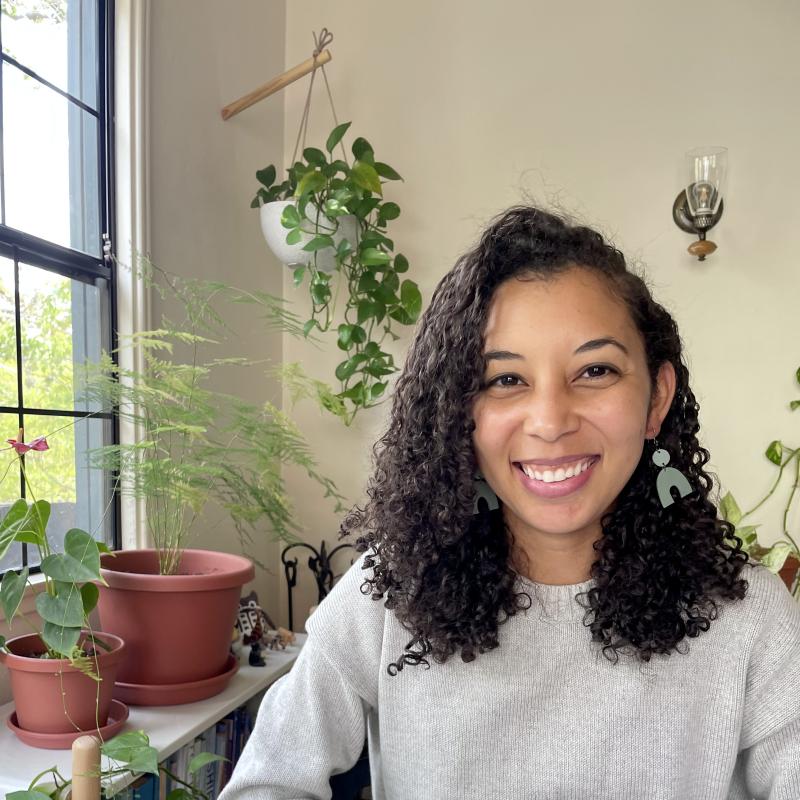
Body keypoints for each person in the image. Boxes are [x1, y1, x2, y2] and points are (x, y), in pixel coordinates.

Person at [219, 206, 800, 799]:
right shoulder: (389, 596)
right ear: (459, 413)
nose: (550, 421)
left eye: (595, 370)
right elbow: (269, 782)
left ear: (656, 400)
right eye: (504, 380)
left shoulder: (748, 617)